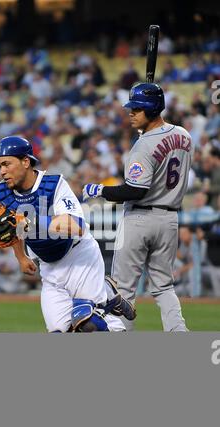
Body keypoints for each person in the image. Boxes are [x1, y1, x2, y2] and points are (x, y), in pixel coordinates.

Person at [0, 135, 134, 333]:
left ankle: (106, 298)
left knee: (89, 324)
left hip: (79, 258)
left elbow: (76, 226)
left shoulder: (53, 184)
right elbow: (12, 229)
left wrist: (31, 221)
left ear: (26, 161)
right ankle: (108, 293)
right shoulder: (2, 192)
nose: (2, 171)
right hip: (49, 268)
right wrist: (21, 257)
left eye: (7, 164)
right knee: (61, 332)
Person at [83, 82, 194, 331]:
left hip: (139, 219)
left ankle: (121, 337)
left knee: (123, 288)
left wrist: (99, 190)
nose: (131, 113)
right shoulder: (185, 136)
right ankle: (180, 333)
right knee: (164, 287)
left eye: (137, 109)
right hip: (169, 220)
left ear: (152, 110)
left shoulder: (142, 146)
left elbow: (134, 190)